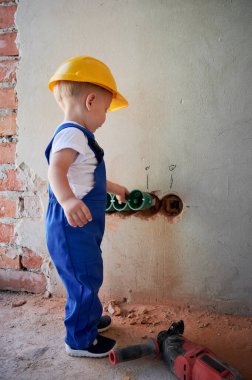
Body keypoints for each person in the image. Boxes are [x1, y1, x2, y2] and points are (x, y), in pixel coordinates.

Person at [45, 56, 129, 358]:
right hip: (71, 227)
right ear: (91, 101)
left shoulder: (81, 138)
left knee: (89, 273)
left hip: (82, 227)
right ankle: (80, 340)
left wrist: (117, 189)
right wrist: (67, 200)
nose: (105, 116)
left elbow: (89, 175)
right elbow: (56, 170)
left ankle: (88, 321)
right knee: (83, 279)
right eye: (106, 109)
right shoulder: (71, 134)